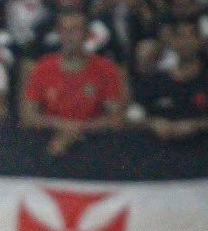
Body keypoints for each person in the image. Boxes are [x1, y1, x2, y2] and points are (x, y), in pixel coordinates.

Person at [20, 10, 128, 155]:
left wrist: (76, 130)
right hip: (50, 146)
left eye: (75, 30)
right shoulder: (43, 67)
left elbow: (116, 118)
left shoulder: (105, 69)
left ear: (87, 35)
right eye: (64, 30)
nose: (69, 35)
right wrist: (63, 126)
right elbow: (28, 115)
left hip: (95, 149)